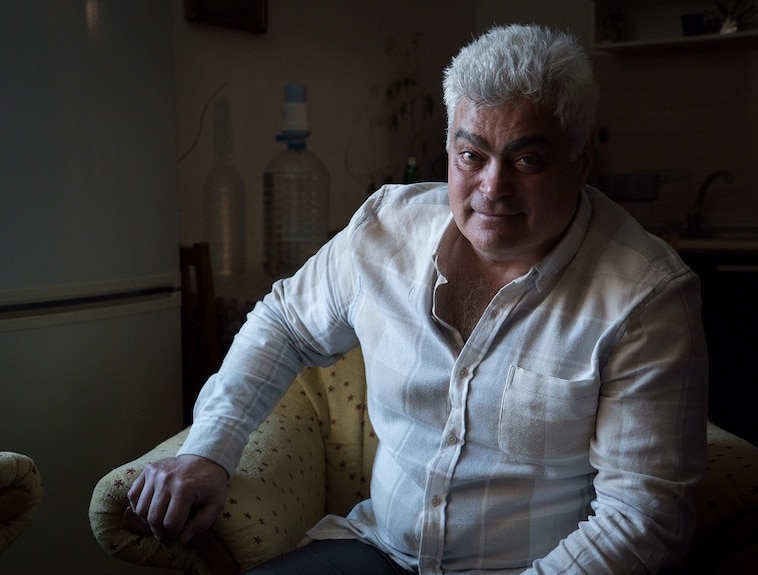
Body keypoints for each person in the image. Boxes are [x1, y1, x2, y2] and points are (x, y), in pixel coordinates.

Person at [129, 24, 708, 574]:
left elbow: (644, 516)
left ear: (581, 162)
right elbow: (284, 322)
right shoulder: (386, 230)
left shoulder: (646, 295)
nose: (493, 187)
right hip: (378, 548)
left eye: (527, 160)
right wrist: (209, 448)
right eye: (472, 155)